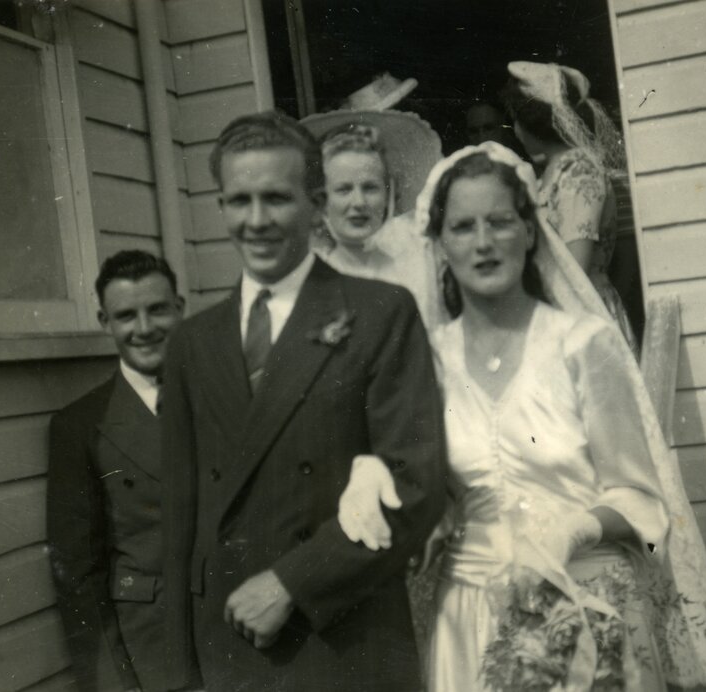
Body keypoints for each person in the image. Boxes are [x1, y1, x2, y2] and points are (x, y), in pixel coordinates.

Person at [338, 143, 706, 691]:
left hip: (584, 610)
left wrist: (575, 528)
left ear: (530, 232)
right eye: (462, 227)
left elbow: (644, 503)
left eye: (500, 222)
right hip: (471, 620)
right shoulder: (426, 358)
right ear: (438, 245)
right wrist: (375, 472)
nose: (483, 243)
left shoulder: (581, 345)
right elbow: (415, 475)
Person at [160, 111, 448, 692]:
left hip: (345, 642)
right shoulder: (193, 343)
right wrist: (183, 670)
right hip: (234, 647)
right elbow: (181, 521)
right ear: (220, 209)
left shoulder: (380, 314)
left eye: (277, 199)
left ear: (315, 204)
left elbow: (414, 484)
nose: (257, 221)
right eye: (239, 201)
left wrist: (292, 583)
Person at [46, 250, 185, 692]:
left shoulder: (230, 400)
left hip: (248, 638)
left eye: (157, 309)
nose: (144, 329)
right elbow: (78, 575)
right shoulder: (81, 425)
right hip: (155, 653)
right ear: (105, 322)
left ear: (180, 309)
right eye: (126, 315)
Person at [502, 60, 640, 356]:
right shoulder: (553, 172)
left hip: (582, 315)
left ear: (529, 122)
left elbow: (574, 265)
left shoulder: (579, 170)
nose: (514, 129)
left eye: (515, 118)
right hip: (559, 312)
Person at [300, 111, 444, 329]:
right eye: (344, 189)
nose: (359, 202)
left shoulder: (421, 256)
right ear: (322, 199)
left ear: (388, 194)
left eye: (370, 188)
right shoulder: (310, 278)